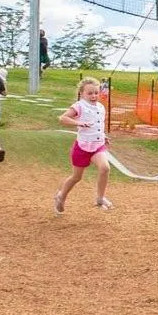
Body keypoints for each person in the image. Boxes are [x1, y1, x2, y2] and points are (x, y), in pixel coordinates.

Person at [53, 77, 113, 214]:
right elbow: (63, 118)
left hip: (97, 145)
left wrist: (103, 136)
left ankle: (100, 198)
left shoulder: (101, 108)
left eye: (96, 93)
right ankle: (61, 196)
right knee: (76, 177)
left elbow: (98, 125)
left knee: (105, 168)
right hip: (82, 147)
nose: (93, 96)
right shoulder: (79, 106)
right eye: (90, 93)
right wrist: (78, 123)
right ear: (82, 93)